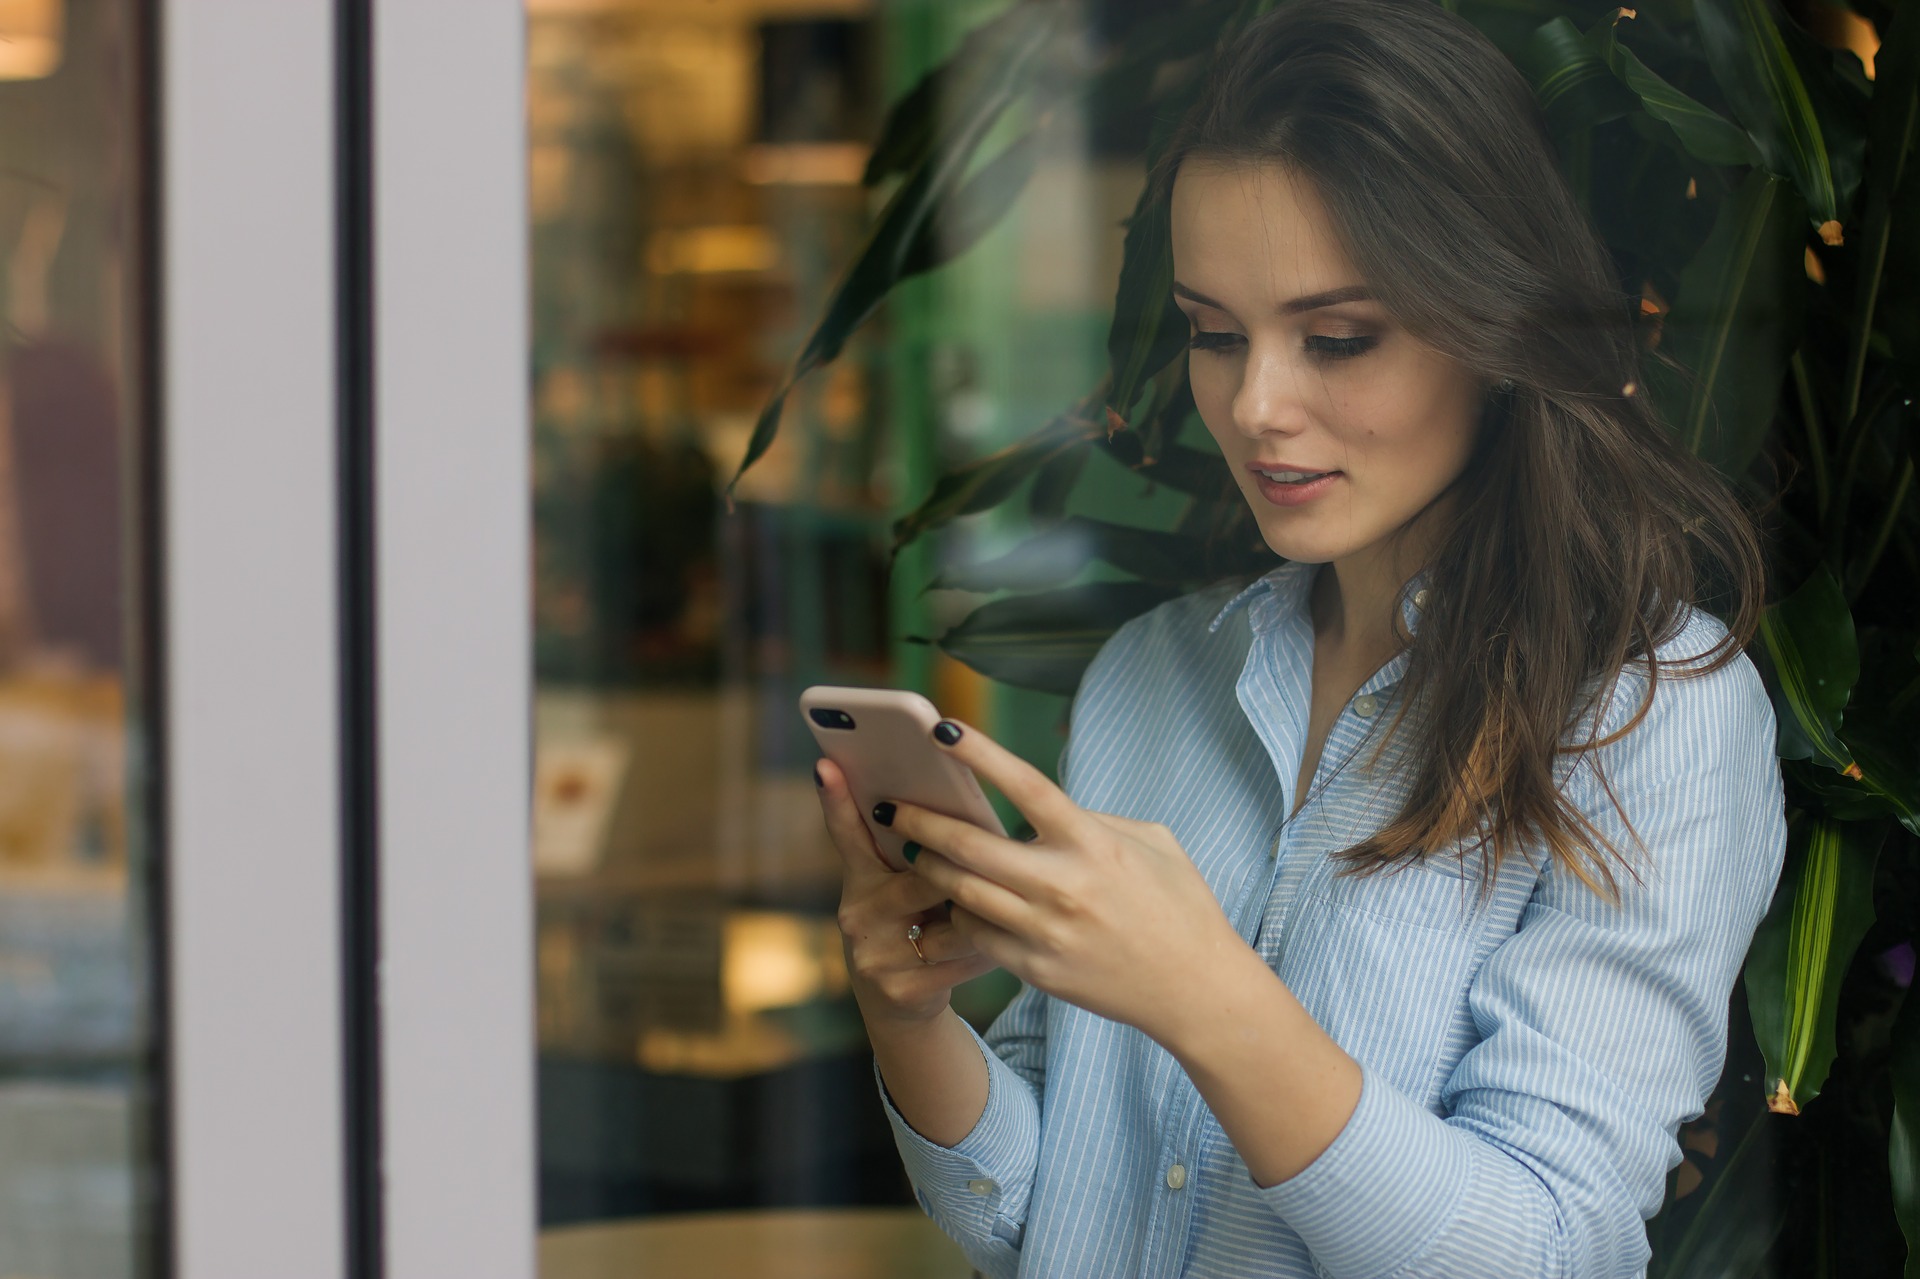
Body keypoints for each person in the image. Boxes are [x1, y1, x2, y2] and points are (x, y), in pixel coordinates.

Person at [813, 1, 1788, 1274]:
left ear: (1490, 323)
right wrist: (912, 1014)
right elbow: (1037, 1213)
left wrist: (1206, 997)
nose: (1256, 404)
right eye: (1215, 334)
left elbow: (1548, 1248)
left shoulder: (1651, 713)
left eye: (1336, 339)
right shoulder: (1154, 675)